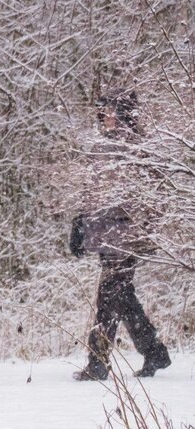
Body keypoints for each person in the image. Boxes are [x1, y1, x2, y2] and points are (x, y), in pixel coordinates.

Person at [69, 88, 171, 381]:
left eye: (114, 109)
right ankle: (154, 352)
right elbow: (92, 192)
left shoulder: (138, 149)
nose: (108, 115)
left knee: (109, 296)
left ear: (127, 113)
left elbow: (149, 196)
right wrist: (79, 223)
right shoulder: (100, 146)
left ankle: (99, 362)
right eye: (104, 110)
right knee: (121, 296)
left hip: (127, 235)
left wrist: (144, 229)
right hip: (103, 234)